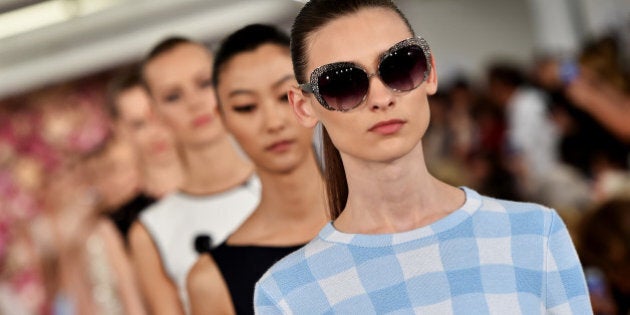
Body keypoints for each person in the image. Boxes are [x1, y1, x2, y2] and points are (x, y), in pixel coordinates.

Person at [254, 0, 592, 313]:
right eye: (342, 84)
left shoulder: (533, 233)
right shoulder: (289, 294)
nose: (381, 97)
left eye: (400, 65)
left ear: (429, 72)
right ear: (303, 106)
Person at [186, 24, 327, 315]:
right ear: (222, 118)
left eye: (284, 96)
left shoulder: (390, 217)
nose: (273, 122)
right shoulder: (212, 281)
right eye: (246, 106)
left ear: (311, 96)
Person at [128, 37, 260, 314]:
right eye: (173, 96)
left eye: (204, 83)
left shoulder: (296, 174)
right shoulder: (151, 231)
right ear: (154, 112)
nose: (194, 102)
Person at [105, 68, 183, 243]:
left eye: (159, 117)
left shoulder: (228, 185)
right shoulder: (119, 224)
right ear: (119, 129)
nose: (155, 132)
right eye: (139, 124)